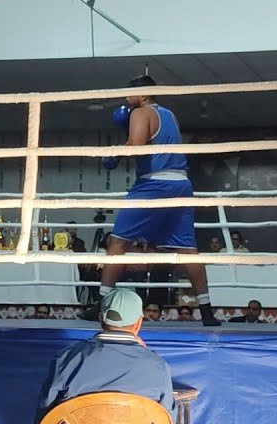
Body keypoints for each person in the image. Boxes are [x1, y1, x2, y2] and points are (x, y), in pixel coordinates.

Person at [89, 76, 221, 327]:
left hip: (154, 184)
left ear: (143, 93)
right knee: (187, 250)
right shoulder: (170, 116)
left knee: (117, 242)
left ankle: (100, 304)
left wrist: (113, 154)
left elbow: (137, 147)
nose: (127, 100)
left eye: (129, 94)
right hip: (181, 184)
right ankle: (206, 311)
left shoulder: (140, 113)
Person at [36, 289, 174, 424]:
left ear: (101, 319)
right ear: (139, 323)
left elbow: (43, 416)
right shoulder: (156, 365)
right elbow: (166, 423)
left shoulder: (69, 357)